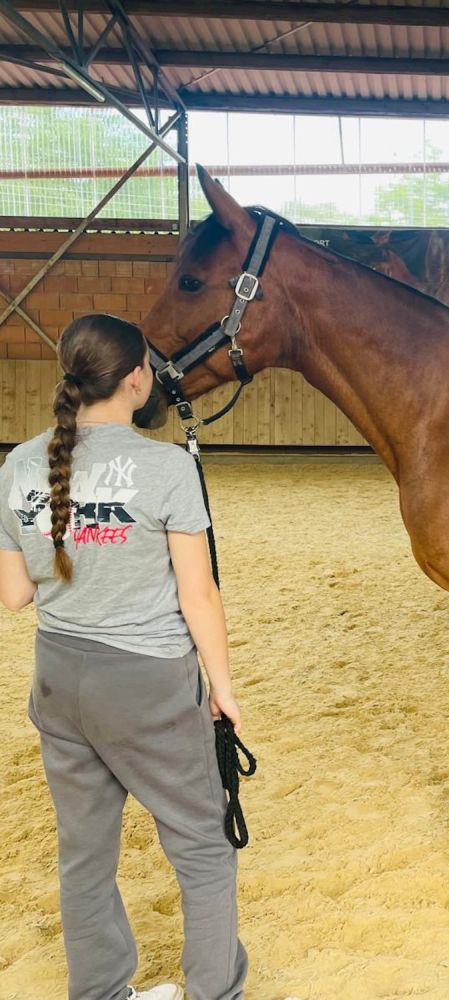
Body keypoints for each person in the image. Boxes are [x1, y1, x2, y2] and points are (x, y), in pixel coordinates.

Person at [0, 314, 280, 1000]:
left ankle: (99, 993)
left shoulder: (19, 462)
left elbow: (13, 595)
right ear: (134, 379)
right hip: (147, 682)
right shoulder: (167, 467)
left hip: (60, 676)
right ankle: (216, 992)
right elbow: (199, 595)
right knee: (204, 848)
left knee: (84, 856)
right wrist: (224, 688)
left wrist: (76, 545)